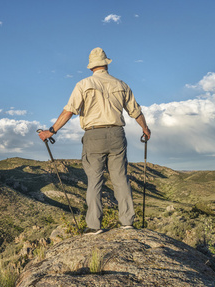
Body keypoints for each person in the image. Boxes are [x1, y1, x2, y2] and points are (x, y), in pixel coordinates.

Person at [38, 47, 151, 235]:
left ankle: (94, 226)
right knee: (121, 179)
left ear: (91, 67)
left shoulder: (83, 84)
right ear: (106, 64)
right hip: (117, 134)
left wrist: (51, 131)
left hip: (93, 136)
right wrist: (145, 129)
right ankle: (127, 221)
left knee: (94, 181)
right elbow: (135, 111)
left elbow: (69, 111)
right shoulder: (122, 85)